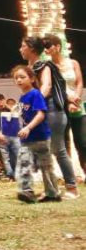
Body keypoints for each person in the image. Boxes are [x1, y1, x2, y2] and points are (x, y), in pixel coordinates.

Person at [19, 36, 78, 199]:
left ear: (31, 48)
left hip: (52, 111)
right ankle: (50, 190)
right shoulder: (30, 68)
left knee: (58, 150)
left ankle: (72, 188)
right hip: (43, 112)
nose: (20, 49)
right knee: (44, 151)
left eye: (23, 46)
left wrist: (34, 102)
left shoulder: (43, 64)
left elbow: (47, 86)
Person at [13, 65, 60, 202]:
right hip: (27, 139)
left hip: (41, 137)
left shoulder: (35, 94)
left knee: (46, 166)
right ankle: (26, 190)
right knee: (24, 161)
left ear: (32, 78)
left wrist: (28, 128)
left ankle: (53, 193)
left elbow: (41, 114)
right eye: (16, 78)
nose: (19, 80)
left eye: (22, 77)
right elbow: (22, 116)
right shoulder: (22, 98)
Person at [45, 35, 85, 182]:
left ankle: (84, 171)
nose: (47, 49)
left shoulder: (73, 63)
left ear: (58, 46)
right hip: (60, 106)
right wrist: (69, 100)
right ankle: (71, 176)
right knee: (64, 142)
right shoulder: (48, 66)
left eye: (48, 45)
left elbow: (80, 82)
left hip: (77, 105)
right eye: (45, 46)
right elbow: (54, 87)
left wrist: (76, 99)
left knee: (82, 141)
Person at [0, 96, 21, 181]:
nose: (0, 102)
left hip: (14, 133)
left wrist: (7, 106)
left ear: (4, 100)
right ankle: (10, 175)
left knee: (17, 155)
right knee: (6, 157)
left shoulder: (9, 109)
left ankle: (18, 174)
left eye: (1, 99)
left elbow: (17, 113)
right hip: (2, 133)